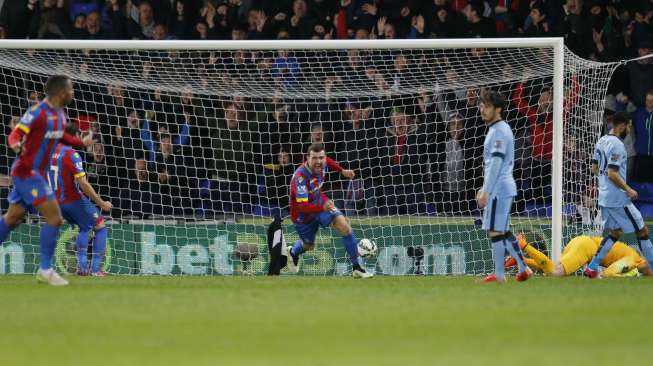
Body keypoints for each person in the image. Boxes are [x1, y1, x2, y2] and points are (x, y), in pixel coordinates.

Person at [0, 75, 92, 286]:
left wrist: (81, 141)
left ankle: (45, 270)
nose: (73, 93)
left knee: (12, 217)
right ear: (61, 92)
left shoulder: (59, 114)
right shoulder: (37, 112)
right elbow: (15, 135)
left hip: (34, 174)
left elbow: (62, 137)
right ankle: (45, 269)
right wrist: (16, 146)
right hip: (27, 174)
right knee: (55, 219)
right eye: (71, 89)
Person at [286, 143, 372, 278]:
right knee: (308, 245)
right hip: (303, 215)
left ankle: (357, 268)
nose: (318, 162)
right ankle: (293, 252)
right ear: (307, 158)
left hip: (319, 201)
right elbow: (302, 206)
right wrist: (322, 208)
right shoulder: (300, 178)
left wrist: (342, 170)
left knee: (345, 227)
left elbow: (329, 162)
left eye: (321, 158)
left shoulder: (322, 163)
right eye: (314, 158)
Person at [584, 112, 653, 278]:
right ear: (621, 125)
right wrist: (628, 189)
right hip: (619, 198)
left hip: (605, 197)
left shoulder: (601, 140)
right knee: (641, 230)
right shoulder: (617, 145)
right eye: (628, 126)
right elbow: (612, 174)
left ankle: (592, 268)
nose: (628, 129)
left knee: (615, 232)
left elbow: (593, 168)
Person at [476, 90, 532, 283]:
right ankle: (524, 268)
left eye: (487, 106)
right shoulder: (496, 129)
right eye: (481, 105)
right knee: (503, 230)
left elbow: (497, 163)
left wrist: (486, 191)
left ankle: (499, 275)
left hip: (499, 188)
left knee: (494, 230)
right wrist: (485, 187)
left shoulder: (499, 130)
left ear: (498, 109)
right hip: (500, 186)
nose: (482, 109)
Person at [50, 123, 112, 276]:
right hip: (72, 200)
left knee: (85, 227)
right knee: (100, 226)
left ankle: (83, 268)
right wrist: (101, 203)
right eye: (78, 136)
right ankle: (94, 269)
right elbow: (83, 184)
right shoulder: (71, 154)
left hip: (55, 203)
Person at [505, 233, 652, 277]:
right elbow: (608, 274)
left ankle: (521, 259)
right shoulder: (633, 260)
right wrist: (626, 276)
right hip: (586, 248)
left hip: (582, 243)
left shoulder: (633, 257)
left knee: (554, 269)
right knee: (555, 273)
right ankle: (523, 244)